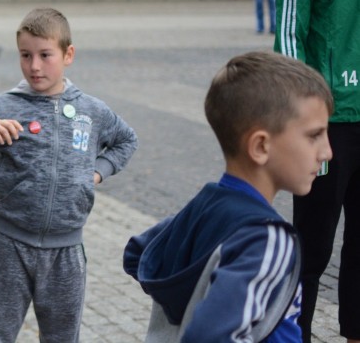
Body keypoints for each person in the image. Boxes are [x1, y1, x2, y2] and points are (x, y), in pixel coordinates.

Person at [0, 7, 138, 343]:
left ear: (68, 54)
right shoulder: (5, 106)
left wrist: (97, 173)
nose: (34, 66)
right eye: (25, 55)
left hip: (66, 250)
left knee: (61, 337)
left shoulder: (91, 111)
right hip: (9, 245)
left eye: (46, 55)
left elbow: (126, 141)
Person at [124, 51, 333, 343]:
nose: (327, 152)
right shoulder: (268, 238)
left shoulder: (203, 207)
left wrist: (189, 302)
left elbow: (138, 253)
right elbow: (210, 336)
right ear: (260, 146)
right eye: (314, 135)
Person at [274, 0, 360, 343]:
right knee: (313, 246)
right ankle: (291, 335)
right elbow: (288, 47)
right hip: (328, 126)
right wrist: (307, 126)